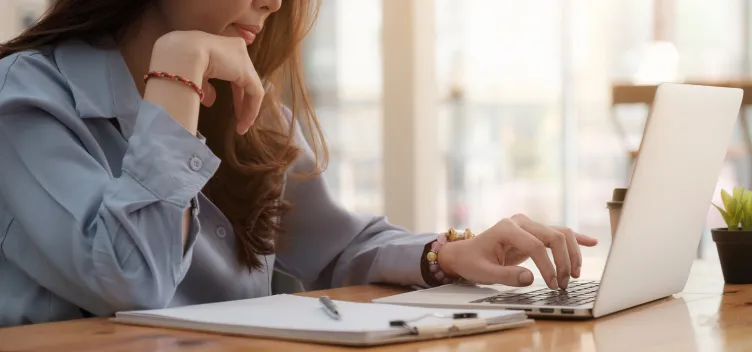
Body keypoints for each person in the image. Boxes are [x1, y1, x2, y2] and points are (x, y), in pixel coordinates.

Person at [0, 0, 598, 327]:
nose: (274, 2)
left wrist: (443, 254)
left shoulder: (242, 103)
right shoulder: (24, 100)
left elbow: (332, 248)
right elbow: (131, 282)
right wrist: (175, 73)